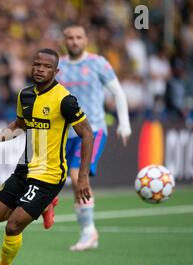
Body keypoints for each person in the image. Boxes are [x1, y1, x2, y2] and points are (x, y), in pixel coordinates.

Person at [0, 48, 94, 265]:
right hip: (24, 167)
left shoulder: (65, 100)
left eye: (46, 67)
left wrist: (83, 176)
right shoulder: (25, 95)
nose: (39, 70)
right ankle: (45, 205)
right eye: (36, 65)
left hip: (49, 174)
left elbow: (87, 134)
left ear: (56, 71)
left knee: (13, 225)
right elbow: (18, 126)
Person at [54, 24, 132, 251]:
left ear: (86, 39)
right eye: (70, 38)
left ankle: (88, 232)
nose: (74, 41)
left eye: (79, 37)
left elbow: (118, 92)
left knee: (79, 176)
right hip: (65, 133)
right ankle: (88, 231)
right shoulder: (59, 66)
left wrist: (124, 124)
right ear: (64, 40)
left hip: (93, 129)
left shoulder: (98, 63)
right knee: (68, 179)